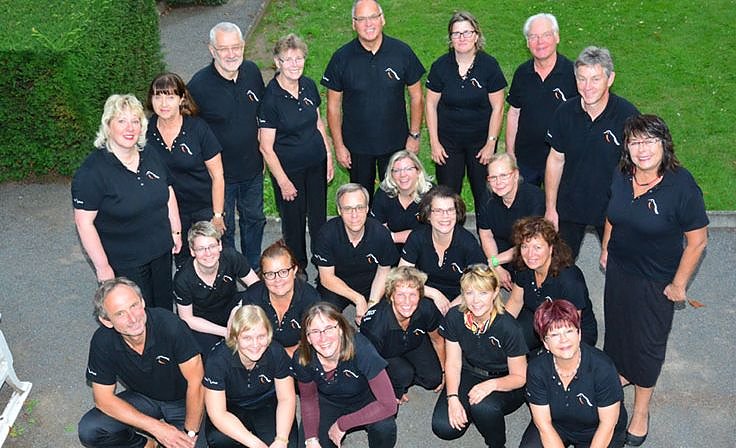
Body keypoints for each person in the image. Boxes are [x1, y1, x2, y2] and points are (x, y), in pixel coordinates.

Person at [601, 114, 708, 446]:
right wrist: (606, 248)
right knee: (618, 329)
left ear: (664, 144)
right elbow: (612, 213)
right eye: (635, 142)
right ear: (626, 147)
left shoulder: (682, 186)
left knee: (647, 343)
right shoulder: (622, 173)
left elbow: (698, 241)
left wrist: (679, 284)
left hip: (655, 279)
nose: (642, 149)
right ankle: (621, 373)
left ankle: (641, 409)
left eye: (650, 141)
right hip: (620, 270)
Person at [72, 94, 181, 309]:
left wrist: (175, 230)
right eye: (121, 121)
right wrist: (103, 267)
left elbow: (167, 190)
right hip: (125, 262)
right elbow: (84, 223)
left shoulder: (150, 154)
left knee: (163, 311)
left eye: (135, 121)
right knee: (135, 315)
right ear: (108, 126)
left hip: (161, 251)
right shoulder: (91, 172)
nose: (130, 128)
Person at [78, 278, 204, 448]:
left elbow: (196, 382)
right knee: (90, 430)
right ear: (106, 321)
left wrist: (190, 434)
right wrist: (157, 428)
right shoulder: (102, 341)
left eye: (134, 306)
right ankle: (146, 445)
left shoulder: (170, 325)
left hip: (183, 400)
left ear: (143, 302)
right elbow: (103, 399)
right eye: (120, 313)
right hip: (143, 398)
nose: (132, 318)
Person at [322, 0, 425, 199]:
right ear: (353, 24)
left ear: (382, 19)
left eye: (373, 17)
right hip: (357, 148)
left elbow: (417, 97)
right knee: (361, 200)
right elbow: (333, 107)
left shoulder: (402, 52)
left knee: (398, 199)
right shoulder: (341, 58)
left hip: (396, 145)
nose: (368, 24)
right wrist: (339, 146)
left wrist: (414, 135)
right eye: (361, 19)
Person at [544, 46, 639, 258]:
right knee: (559, 266)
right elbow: (555, 160)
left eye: (595, 79)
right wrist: (550, 208)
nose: (587, 87)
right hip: (569, 206)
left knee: (618, 264)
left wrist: (631, 212)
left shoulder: (628, 116)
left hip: (612, 208)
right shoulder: (564, 112)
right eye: (582, 79)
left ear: (610, 79)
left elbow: (639, 168)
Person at [188, 22, 266, 268]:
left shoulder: (252, 72)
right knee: (224, 229)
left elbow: (262, 116)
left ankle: (253, 268)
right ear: (212, 50)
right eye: (224, 49)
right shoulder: (198, 87)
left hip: (253, 170)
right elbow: (189, 131)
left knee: (254, 220)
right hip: (220, 178)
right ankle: (230, 272)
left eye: (236, 47)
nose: (231, 54)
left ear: (243, 46)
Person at [258, 34, 334, 273]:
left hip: (316, 164)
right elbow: (265, 146)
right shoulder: (270, 99)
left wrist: (328, 156)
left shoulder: (308, 85)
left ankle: (324, 266)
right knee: (294, 224)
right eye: (288, 59)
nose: (294, 64)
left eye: (299, 58)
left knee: (319, 219)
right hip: (289, 172)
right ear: (277, 62)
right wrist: (283, 182)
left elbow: (318, 123)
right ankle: (298, 269)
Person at [431, 264, 527, 448]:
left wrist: (492, 385)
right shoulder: (454, 317)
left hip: (504, 378)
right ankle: (476, 413)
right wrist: (452, 398)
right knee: (444, 427)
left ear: (495, 292)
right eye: (469, 293)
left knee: (483, 407)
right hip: (470, 370)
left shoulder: (509, 327)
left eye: (483, 293)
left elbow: (520, 377)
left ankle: (496, 444)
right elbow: (453, 362)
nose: (475, 300)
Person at [425, 11, 507, 209]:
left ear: (476, 36)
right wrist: (434, 143)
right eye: (456, 33)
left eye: (467, 32)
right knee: (447, 197)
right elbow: (430, 105)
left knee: (485, 196)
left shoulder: (489, 66)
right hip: (448, 144)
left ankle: (486, 230)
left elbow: (498, 107)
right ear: (450, 38)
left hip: (481, 143)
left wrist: (491, 143)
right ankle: (450, 230)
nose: (462, 38)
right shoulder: (440, 66)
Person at [519, 300, 626, 448]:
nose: (564, 340)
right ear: (545, 343)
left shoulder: (603, 368)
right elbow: (544, 425)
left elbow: (607, 425)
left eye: (569, 331)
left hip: (596, 429)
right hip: (557, 425)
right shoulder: (536, 369)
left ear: (579, 334)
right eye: (554, 334)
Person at [146, 72, 225, 268]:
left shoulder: (198, 128)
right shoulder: (145, 132)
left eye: (170, 97)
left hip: (203, 207)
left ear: (182, 99)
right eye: (158, 96)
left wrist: (217, 215)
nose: (163, 103)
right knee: (183, 263)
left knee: (211, 260)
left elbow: (217, 176)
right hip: (169, 211)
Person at [293, 302, 398, 448]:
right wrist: (311, 439)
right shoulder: (302, 358)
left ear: (341, 329)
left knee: (384, 427)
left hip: (364, 399)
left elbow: (389, 405)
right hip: (329, 402)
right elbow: (308, 398)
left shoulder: (362, 349)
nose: (323, 338)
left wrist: (342, 424)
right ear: (308, 338)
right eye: (315, 332)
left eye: (329, 328)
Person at [203, 305, 297, 447]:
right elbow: (218, 413)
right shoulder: (218, 359)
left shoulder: (276, 352)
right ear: (235, 337)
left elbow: (286, 398)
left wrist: (281, 439)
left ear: (269, 335)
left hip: (267, 402)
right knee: (219, 439)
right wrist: (255, 444)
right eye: (247, 338)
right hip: (231, 405)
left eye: (261, 336)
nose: (255, 344)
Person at [506, 216, 597, 354]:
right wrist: (498, 331)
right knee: (509, 342)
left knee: (544, 363)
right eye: (524, 246)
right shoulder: (524, 268)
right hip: (537, 320)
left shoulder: (570, 280)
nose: (530, 254)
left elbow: (570, 327)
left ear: (551, 248)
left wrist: (548, 351)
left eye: (537, 247)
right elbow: (515, 302)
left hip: (569, 330)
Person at [505, 13, 577, 186]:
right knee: (526, 203)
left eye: (546, 35)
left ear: (557, 37)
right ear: (527, 42)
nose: (540, 42)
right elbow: (514, 113)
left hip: (562, 159)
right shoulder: (522, 73)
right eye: (533, 37)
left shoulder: (573, 74)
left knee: (558, 203)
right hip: (526, 160)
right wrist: (510, 153)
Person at [312, 183, 399, 322]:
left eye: (359, 207)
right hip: (337, 284)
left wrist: (372, 305)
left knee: (386, 319)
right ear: (339, 210)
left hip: (371, 284)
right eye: (348, 209)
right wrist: (358, 299)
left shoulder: (381, 234)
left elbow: (383, 271)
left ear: (367, 209)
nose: (354, 215)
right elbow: (327, 278)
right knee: (322, 319)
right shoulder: (326, 234)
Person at [360, 266, 445, 403]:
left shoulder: (426, 308)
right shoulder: (375, 326)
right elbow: (368, 363)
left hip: (414, 341)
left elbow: (438, 340)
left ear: (420, 296)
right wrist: (386, 390)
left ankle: (406, 376)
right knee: (404, 375)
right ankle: (398, 380)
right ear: (391, 296)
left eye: (413, 295)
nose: (407, 301)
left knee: (433, 379)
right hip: (385, 353)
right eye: (400, 295)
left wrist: (444, 370)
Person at [174, 221, 260, 354]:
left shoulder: (231, 257)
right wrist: (226, 332)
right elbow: (187, 318)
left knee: (255, 336)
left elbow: (256, 285)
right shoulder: (182, 278)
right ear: (192, 251)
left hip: (231, 307)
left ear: (220, 245)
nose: (208, 253)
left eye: (212, 246)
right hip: (202, 321)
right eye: (201, 249)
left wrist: (237, 309)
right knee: (214, 354)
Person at [399, 185, 486, 315]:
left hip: (462, 298)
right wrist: (433, 294)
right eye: (438, 211)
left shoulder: (468, 242)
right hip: (426, 294)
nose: (445, 216)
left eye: (450, 210)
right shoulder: (417, 237)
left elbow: (481, 283)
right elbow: (401, 276)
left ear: (457, 213)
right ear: (428, 214)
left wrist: (451, 309)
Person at [241, 240, 322, 357]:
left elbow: (316, 340)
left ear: (294, 270)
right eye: (270, 274)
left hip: (299, 356)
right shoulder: (252, 297)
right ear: (263, 276)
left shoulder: (311, 299)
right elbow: (248, 340)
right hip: (261, 355)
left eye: (283, 272)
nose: (277, 279)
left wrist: (283, 355)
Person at [476, 153, 544, 290]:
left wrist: (494, 262)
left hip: (527, 249)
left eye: (503, 176)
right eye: (493, 177)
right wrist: (497, 268)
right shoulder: (487, 197)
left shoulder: (534, 198)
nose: (498, 182)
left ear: (515, 175)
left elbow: (527, 242)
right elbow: (486, 235)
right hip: (500, 250)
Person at [370, 150, 433, 250]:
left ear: (418, 171)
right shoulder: (383, 193)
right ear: (391, 174)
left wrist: (393, 237)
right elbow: (378, 231)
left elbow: (432, 233)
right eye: (397, 170)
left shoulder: (432, 195)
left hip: (425, 248)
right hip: (392, 248)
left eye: (408, 169)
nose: (403, 174)